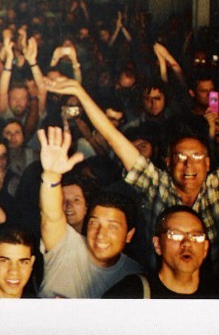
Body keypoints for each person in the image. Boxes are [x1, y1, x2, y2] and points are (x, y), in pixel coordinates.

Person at [46, 77, 219, 275]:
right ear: (168, 162)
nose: (188, 165)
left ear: (207, 163)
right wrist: (79, 92)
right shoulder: (156, 185)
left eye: (197, 156)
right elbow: (112, 136)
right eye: (180, 157)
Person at [37, 126, 141, 298]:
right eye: (94, 223)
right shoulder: (68, 245)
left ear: (129, 235)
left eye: (112, 226)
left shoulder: (135, 275)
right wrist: (51, 176)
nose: (100, 234)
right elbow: (51, 217)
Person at [104, 205, 219, 298]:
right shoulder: (131, 292)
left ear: (205, 248)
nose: (187, 243)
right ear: (158, 245)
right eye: (175, 235)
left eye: (196, 236)